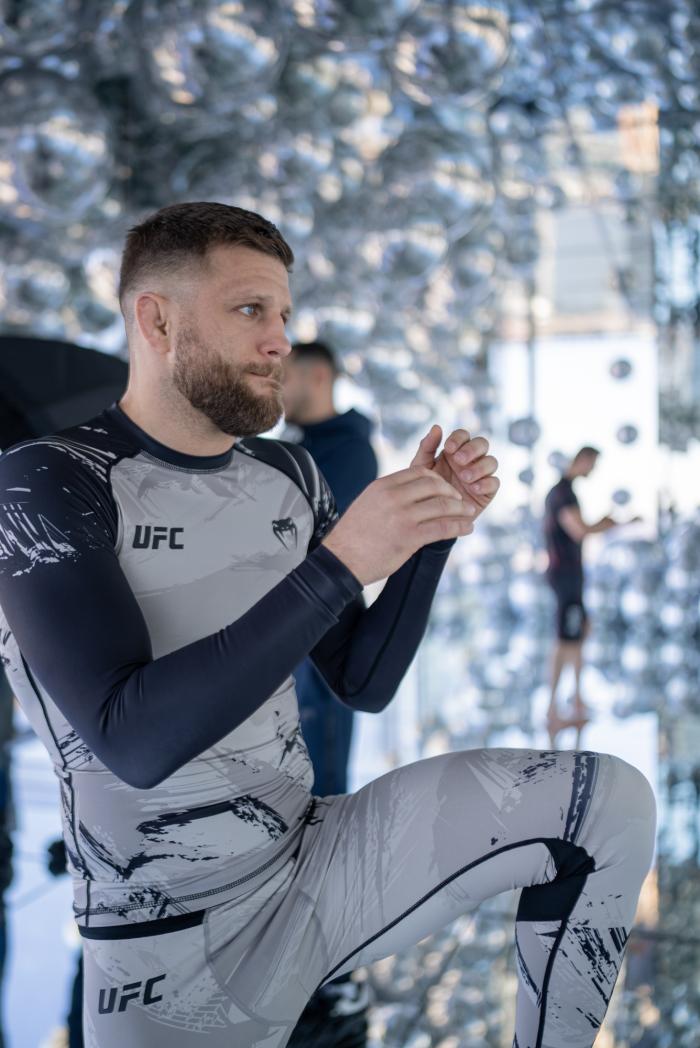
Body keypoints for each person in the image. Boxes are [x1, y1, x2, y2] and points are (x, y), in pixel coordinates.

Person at [0, 202, 655, 1048]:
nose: (279, 340)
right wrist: (342, 561)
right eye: (248, 311)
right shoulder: (45, 481)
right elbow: (133, 740)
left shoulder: (286, 473)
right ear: (155, 319)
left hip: (315, 864)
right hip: (168, 942)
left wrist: (427, 535)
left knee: (606, 804)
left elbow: (363, 682)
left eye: (282, 314)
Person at [282, 341, 378, 1047]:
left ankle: (323, 939)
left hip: (325, 645)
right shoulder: (298, 443)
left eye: (286, 371)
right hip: (291, 643)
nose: (275, 383)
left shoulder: (345, 449)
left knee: (323, 785)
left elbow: (315, 544)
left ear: (318, 375)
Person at [544, 446, 621, 743]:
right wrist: (610, 523)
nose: (593, 471)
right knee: (565, 639)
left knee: (579, 633)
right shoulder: (562, 493)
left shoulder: (566, 491)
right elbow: (579, 530)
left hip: (571, 575)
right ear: (584, 460)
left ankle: (576, 698)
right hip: (564, 574)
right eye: (593, 465)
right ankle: (553, 708)